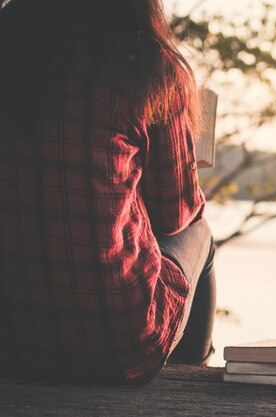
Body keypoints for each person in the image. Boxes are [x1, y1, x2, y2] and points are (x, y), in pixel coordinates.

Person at [0, 0, 216, 384]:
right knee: (200, 234)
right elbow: (175, 214)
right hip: (118, 346)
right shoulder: (146, 66)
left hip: (12, 341)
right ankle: (193, 375)